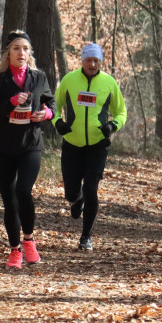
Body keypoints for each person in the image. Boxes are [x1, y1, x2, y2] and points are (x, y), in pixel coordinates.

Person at [0, 30, 56, 269]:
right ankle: (14, 250)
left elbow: (51, 102)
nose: (21, 53)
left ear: (29, 53)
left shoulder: (38, 77)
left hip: (30, 144)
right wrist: (11, 103)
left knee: (24, 190)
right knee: (9, 200)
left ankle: (29, 241)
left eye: (25, 48)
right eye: (16, 48)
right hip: (3, 147)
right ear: (8, 53)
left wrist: (46, 113)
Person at [51, 43, 127, 251]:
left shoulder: (108, 83)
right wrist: (57, 122)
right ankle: (78, 198)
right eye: (88, 60)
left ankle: (86, 237)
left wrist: (113, 125)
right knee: (71, 194)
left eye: (96, 60)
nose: (92, 64)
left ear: (100, 62)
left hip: (97, 146)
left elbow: (121, 112)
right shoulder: (69, 80)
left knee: (92, 189)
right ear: (82, 61)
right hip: (72, 145)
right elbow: (53, 107)